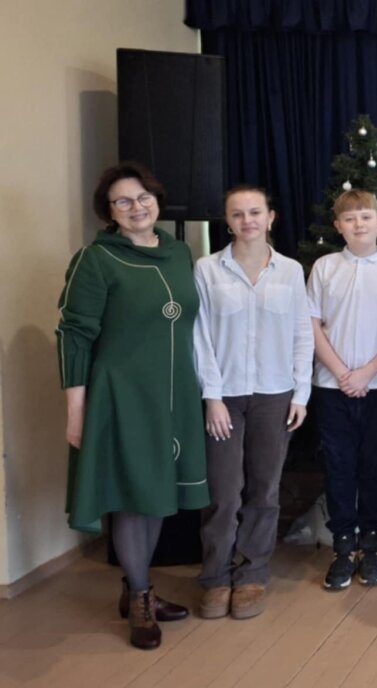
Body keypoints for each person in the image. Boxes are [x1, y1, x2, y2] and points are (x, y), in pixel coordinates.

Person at [57, 161, 206, 650]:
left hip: (173, 395)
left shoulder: (179, 253)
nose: (136, 207)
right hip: (121, 396)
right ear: (109, 211)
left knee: (156, 492)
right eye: (122, 201)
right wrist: (76, 412)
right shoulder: (96, 259)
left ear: (157, 201)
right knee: (132, 497)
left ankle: (135, 586)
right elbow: (74, 336)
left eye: (143, 197)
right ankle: (141, 596)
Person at [193, 185, 314, 619]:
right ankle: (215, 577)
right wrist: (212, 396)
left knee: (264, 490)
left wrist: (301, 393)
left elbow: (302, 333)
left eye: (255, 212)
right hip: (224, 397)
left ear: (270, 217)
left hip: (274, 395)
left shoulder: (290, 271)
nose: (247, 220)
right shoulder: (207, 269)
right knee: (224, 493)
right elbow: (200, 337)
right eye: (238, 213)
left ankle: (252, 574)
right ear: (227, 221)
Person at [309, 190, 377, 591]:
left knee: (374, 465)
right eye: (350, 219)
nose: (359, 224)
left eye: (366, 217)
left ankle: (370, 545)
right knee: (339, 466)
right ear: (338, 226)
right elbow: (312, 324)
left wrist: (367, 373)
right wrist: (342, 373)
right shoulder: (324, 267)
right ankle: (342, 547)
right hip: (332, 386)